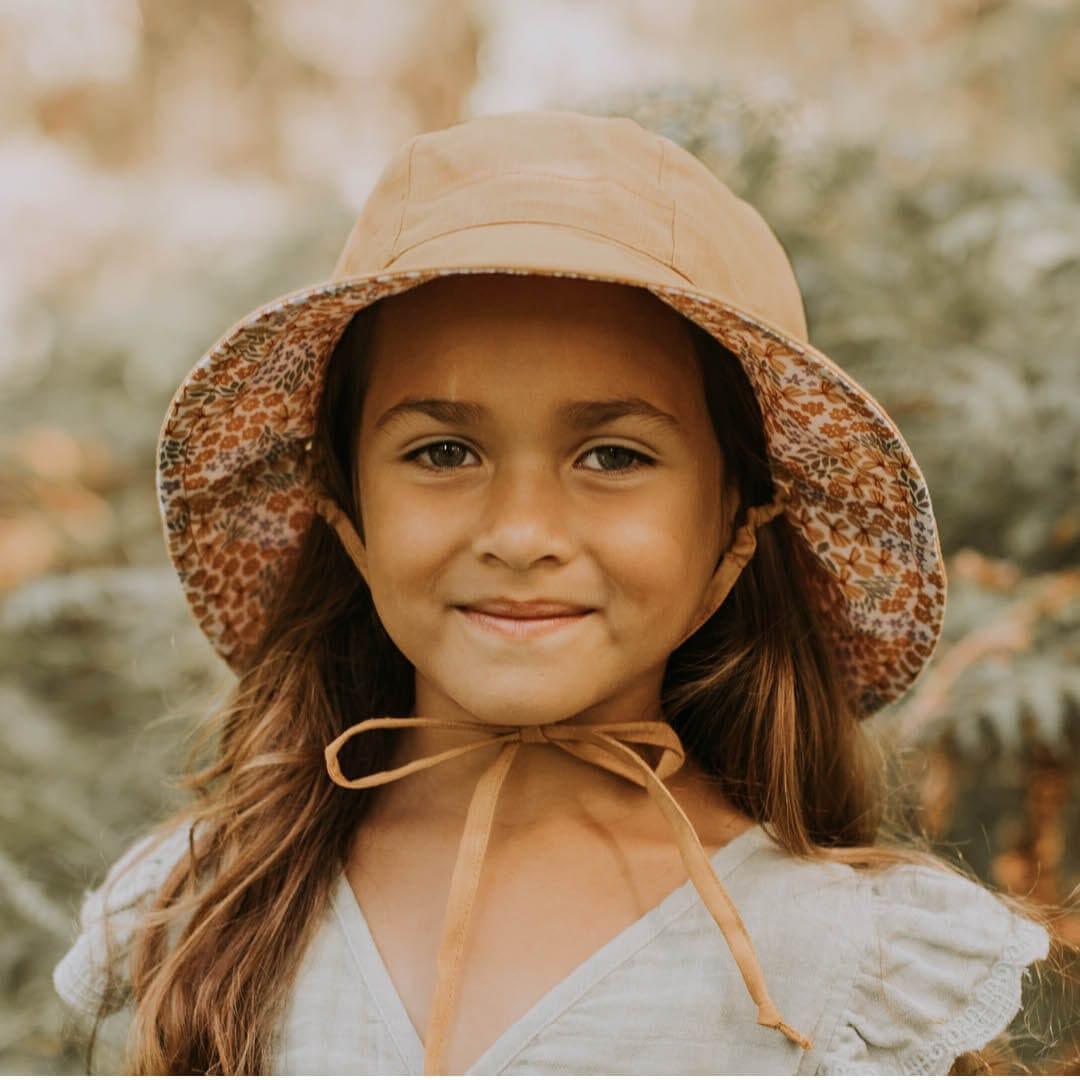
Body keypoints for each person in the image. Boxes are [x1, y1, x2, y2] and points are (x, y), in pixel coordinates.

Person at [52, 110, 1058, 1075]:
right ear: (341, 500)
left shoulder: (852, 966)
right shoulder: (206, 909)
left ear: (739, 513)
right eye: (443, 450)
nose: (522, 534)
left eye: (614, 455)